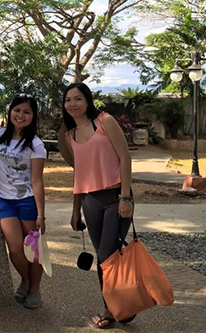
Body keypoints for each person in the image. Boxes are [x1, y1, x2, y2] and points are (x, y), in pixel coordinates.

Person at [57, 83, 134, 329]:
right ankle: (121, 303)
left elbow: (125, 158)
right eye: (68, 100)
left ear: (87, 101)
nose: (72, 104)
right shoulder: (70, 135)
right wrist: (75, 210)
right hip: (90, 201)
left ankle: (110, 309)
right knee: (104, 259)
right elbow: (79, 173)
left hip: (115, 198)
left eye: (78, 98)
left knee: (106, 255)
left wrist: (125, 198)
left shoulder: (105, 121)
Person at [0, 94, 46, 309]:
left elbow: (37, 180)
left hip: (27, 200)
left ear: (33, 116)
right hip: (4, 199)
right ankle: (25, 279)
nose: (20, 115)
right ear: (10, 111)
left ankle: (35, 289)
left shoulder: (36, 144)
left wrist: (41, 214)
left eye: (26, 112)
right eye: (17, 110)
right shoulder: (1, 134)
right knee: (15, 248)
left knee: (33, 249)